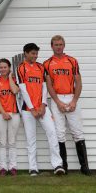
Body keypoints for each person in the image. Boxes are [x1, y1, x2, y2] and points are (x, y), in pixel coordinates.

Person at [43, 35, 91, 175]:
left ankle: (85, 167)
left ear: (64, 45)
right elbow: (49, 85)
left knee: (78, 133)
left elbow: (79, 82)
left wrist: (74, 101)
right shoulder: (47, 63)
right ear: (51, 46)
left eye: (61, 44)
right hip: (57, 98)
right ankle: (63, 166)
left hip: (71, 96)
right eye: (56, 44)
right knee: (60, 134)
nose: (58, 47)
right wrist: (57, 102)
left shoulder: (72, 61)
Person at [17, 43, 65, 176]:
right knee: (30, 139)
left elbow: (45, 87)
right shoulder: (21, 68)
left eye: (36, 53)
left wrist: (43, 105)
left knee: (52, 133)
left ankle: (57, 165)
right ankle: (33, 168)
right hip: (28, 109)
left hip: (42, 108)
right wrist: (32, 108)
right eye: (32, 53)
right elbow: (23, 89)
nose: (35, 56)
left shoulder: (41, 67)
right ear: (25, 53)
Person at [0, 58, 20, 176]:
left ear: (9, 68)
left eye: (5, 67)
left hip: (14, 113)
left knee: (12, 142)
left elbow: (14, 90)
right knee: (2, 142)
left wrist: (9, 77)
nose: (3, 69)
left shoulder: (15, 79)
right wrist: (3, 112)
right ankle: (3, 167)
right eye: (1, 67)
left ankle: (12, 167)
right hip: (0, 113)